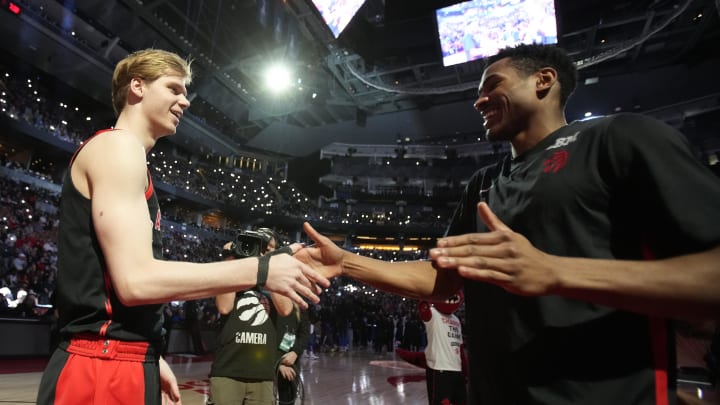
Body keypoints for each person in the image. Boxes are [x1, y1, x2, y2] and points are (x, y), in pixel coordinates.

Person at [296, 43, 720, 404]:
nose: (478, 101)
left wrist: (554, 272)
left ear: (543, 81)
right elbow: (443, 280)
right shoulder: (484, 183)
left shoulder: (619, 138)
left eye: (492, 86)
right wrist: (347, 263)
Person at [36, 49, 329, 405]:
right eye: (174, 88)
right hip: (101, 364)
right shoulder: (119, 147)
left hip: (120, 356)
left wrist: (149, 350)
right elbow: (135, 282)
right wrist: (261, 269)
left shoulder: (130, 158)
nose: (185, 101)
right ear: (137, 87)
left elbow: (111, 287)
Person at [209, 227, 294, 405]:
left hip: (262, 374)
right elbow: (224, 307)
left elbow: (286, 309)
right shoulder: (233, 275)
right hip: (227, 371)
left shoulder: (276, 278)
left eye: (270, 248)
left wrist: (269, 266)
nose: (263, 252)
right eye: (260, 246)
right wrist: (232, 258)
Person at [275, 303, 311, 404]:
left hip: (290, 360)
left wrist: (295, 352)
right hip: (268, 361)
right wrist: (278, 362)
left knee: (288, 397)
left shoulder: (298, 306)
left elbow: (304, 333)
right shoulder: (267, 302)